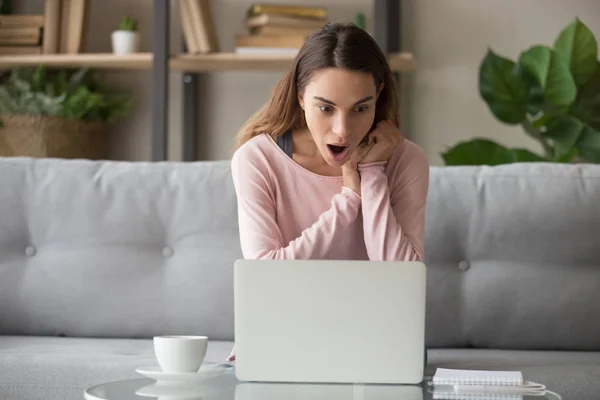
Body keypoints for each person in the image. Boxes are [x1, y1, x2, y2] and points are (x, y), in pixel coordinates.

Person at [228, 22, 430, 364]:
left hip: (377, 344)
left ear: (378, 96)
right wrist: (349, 199)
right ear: (301, 97)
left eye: (360, 109)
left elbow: (403, 284)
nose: (342, 130)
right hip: (281, 340)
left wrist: (371, 173)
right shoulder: (257, 159)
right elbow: (266, 279)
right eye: (326, 108)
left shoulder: (406, 160)